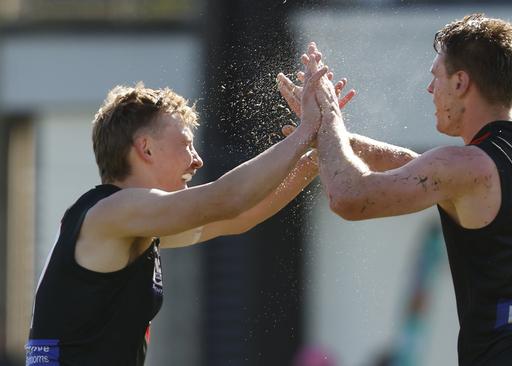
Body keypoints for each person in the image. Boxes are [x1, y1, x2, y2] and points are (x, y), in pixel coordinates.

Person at [284, 13, 512, 366]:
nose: (431, 89)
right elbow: (427, 169)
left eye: (437, 77)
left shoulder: (465, 168)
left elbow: (348, 197)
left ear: (461, 82)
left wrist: (327, 118)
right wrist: (338, 141)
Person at [25, 81, 338, 366]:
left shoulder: (131, 221)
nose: (197, 160)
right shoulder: (115, 212)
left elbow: (238, 217)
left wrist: (311, 157)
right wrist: (304, 133)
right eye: (187, 144)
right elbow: (228, 199)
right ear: (145, 148)